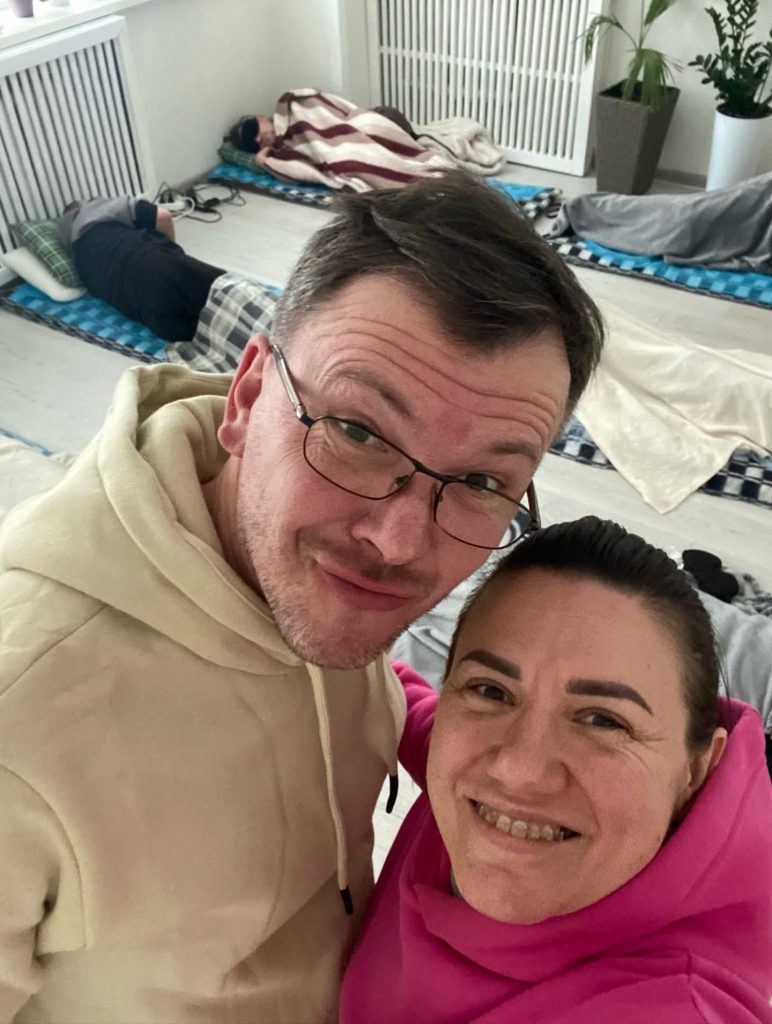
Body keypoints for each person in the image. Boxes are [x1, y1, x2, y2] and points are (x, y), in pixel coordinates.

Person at [0, 171, 604, 1022]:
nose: (399, 544)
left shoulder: (301, 574)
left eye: (480, 482)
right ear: (247, 397)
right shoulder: (22, 719)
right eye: (357, 432)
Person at [340, 517, 772, 1024]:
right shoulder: (457, 752)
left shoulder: (672, 1006)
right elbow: (406, 707)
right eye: (492, 690)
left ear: (696, 769)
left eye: (602, 720)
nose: (518, 771)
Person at [57, 196, 225, 341]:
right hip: (161, 267)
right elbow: (163, 216)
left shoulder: (80, 262)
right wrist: (176, 255)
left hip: (159, 319)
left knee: (211, 334)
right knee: (229, 292)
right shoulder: (94, 208)